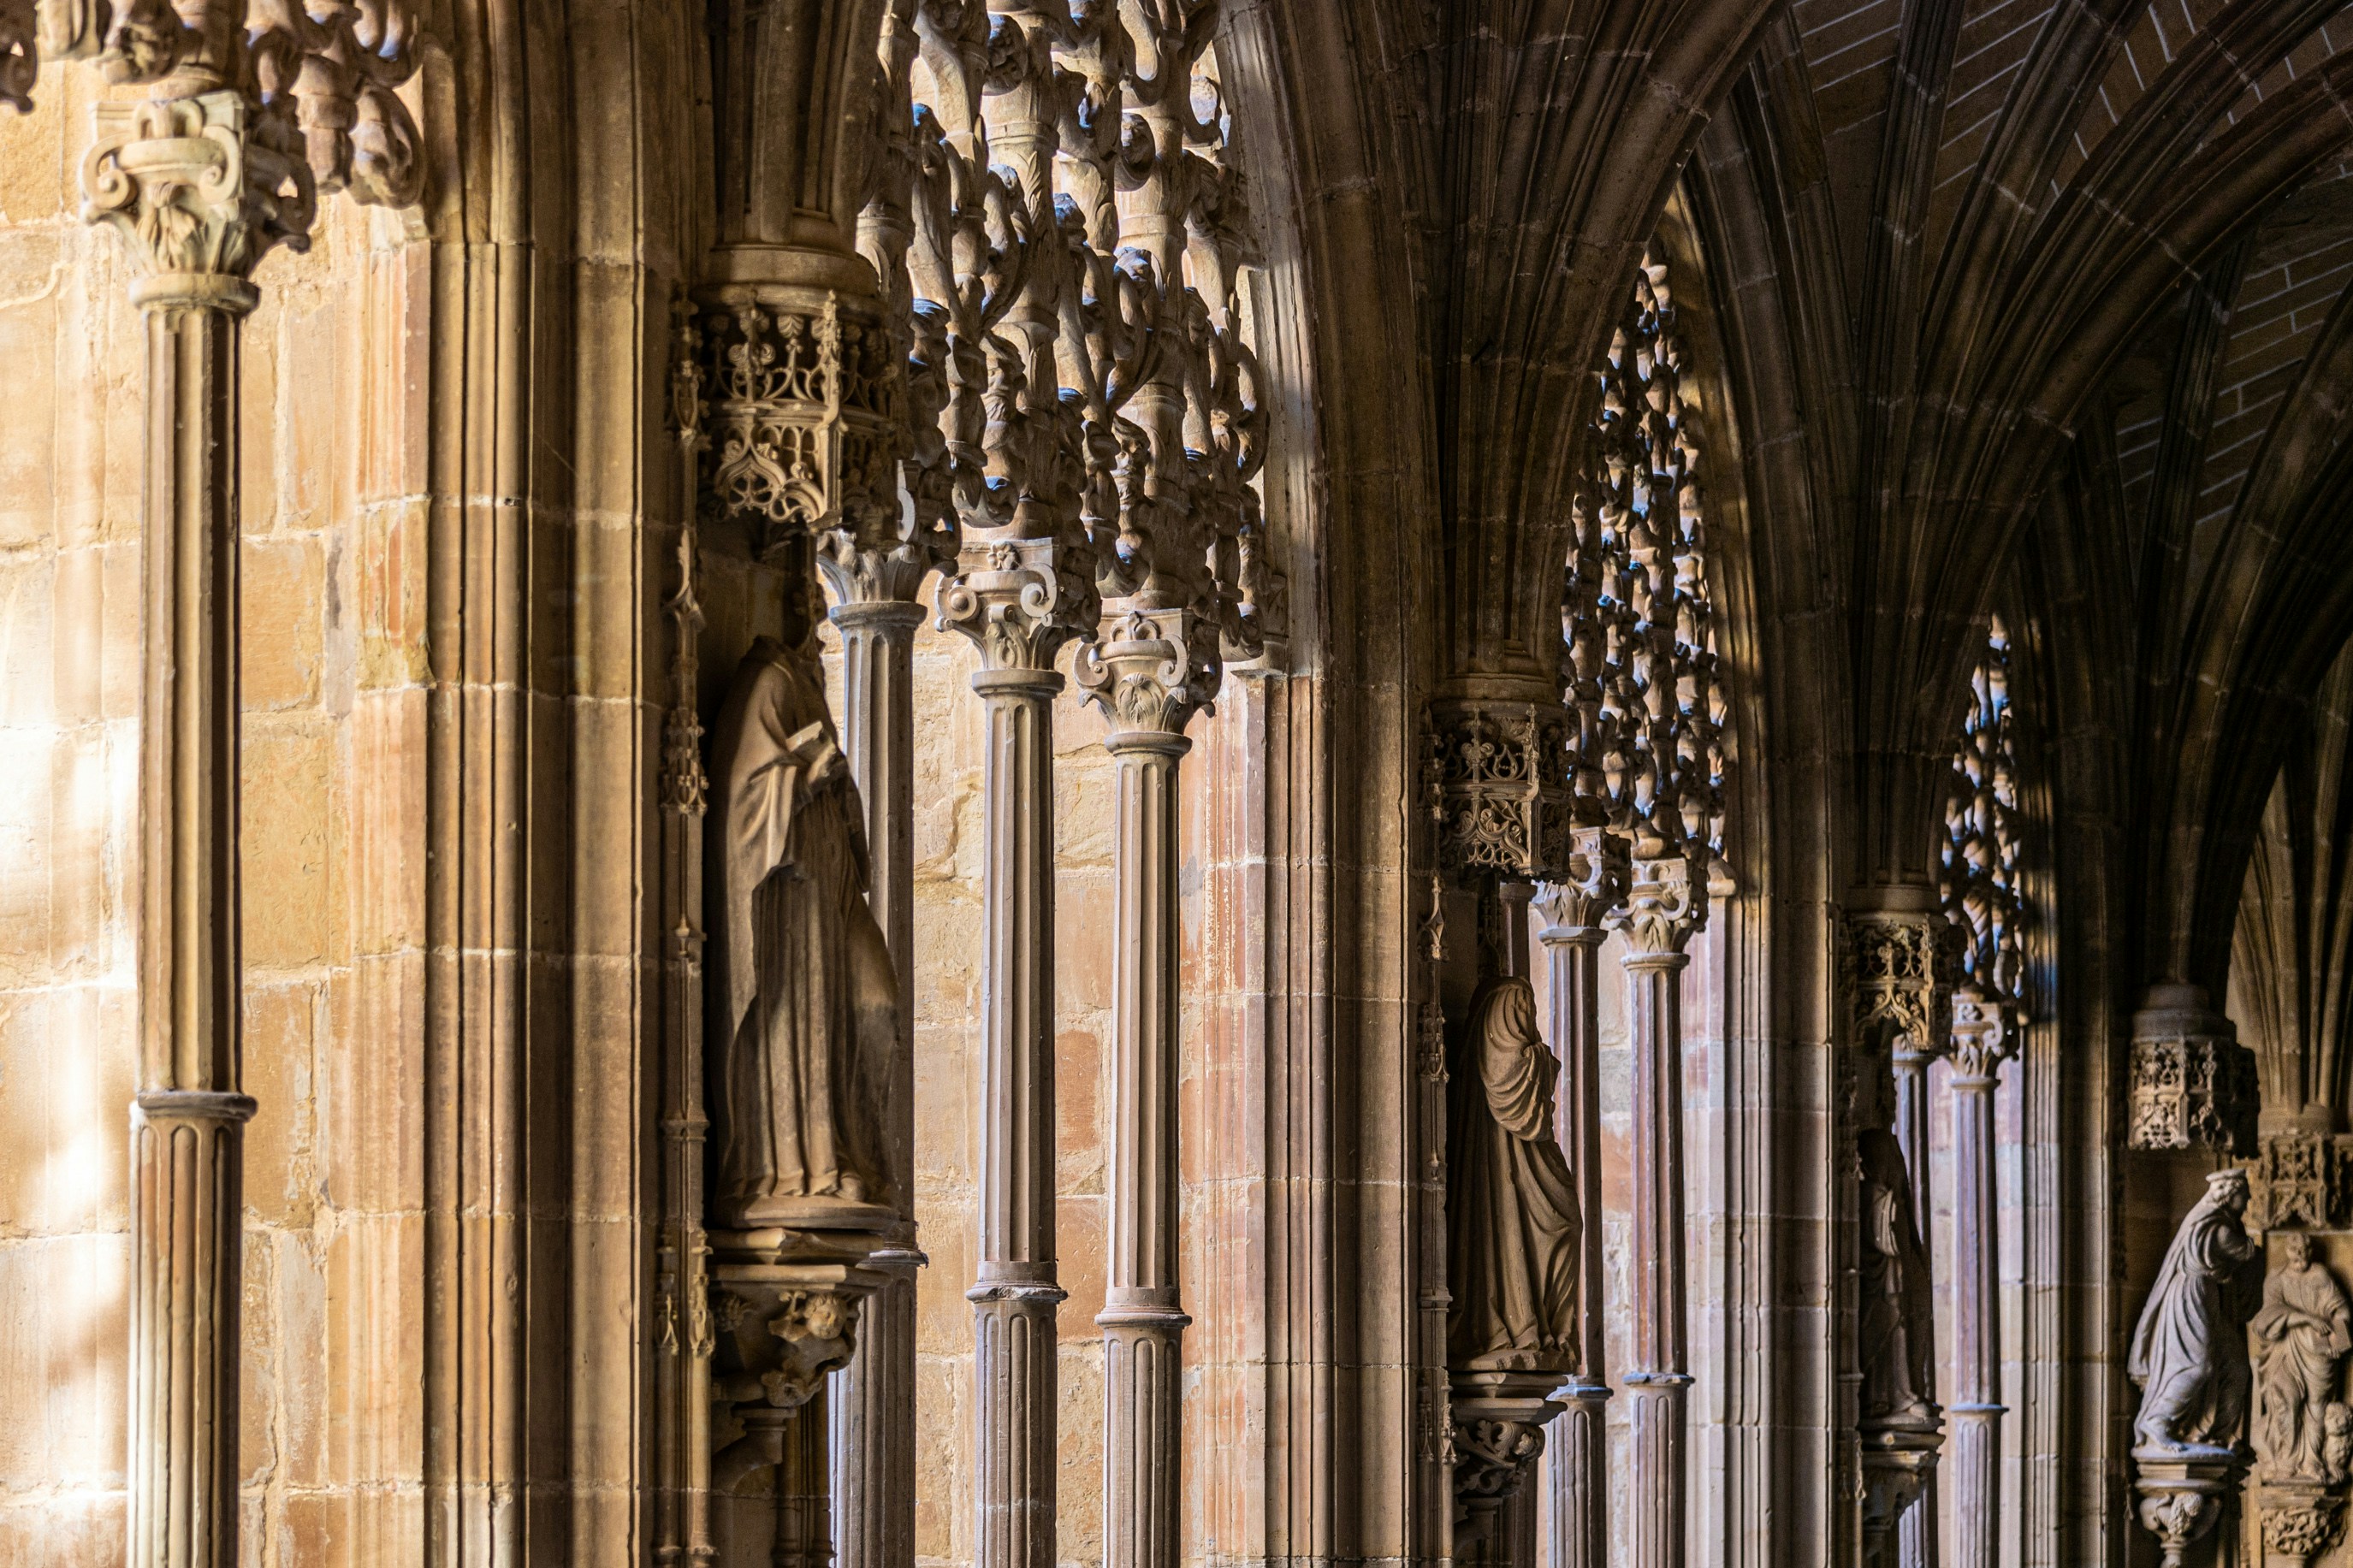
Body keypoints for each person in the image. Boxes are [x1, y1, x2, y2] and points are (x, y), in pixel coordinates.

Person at [706, 615, 898, 1227]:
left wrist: (836, 786)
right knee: (795, 1024)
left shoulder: (804, 680)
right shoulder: (767, 679)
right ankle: (794, 1171)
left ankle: (845, 1157)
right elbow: (741, 801)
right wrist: (805, 777)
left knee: (877, 1009)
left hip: (827, 893)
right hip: (788, 901)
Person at [1446, 975, 1581, 1370]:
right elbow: (1510, 1083)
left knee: (1566, 1223)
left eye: (1531, 1011)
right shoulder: (1501, 1032)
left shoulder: (1513, 1042)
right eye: (1523, 1012)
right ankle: (1521, 1322)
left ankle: (1539, 1325)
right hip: (1505, 1163)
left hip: (1521, 1158)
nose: (1529, 1019)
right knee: (1560, 1222)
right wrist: (1539, 1057)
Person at [2130, 1168, 2264, 1453]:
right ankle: (2157, 1421)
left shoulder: (2222, 1223)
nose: (2249, 1199)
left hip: (2210, 1298)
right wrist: (2254, 1252)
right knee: (2198, 1364)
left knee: (2238, 1366)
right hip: (2191, 1297)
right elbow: (2246, 1252)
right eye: (2244, 1194)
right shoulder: (2217, 1228)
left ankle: (2220, 1435)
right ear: (2230, 1195)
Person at [2252, 1231, 2351, 1480]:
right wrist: (2307, 1318)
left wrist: (2338, 1337)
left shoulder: (2320, 1276)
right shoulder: (2276, 1279)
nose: (2300, 1256)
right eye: (2295, 1251)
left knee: (2317, 1407)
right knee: (2287, 1402)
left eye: (2304, 1251)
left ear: (2310, 1252)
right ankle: (2286, 1461)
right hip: (2284, 1352)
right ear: (2287, 1251)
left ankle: (2311, 1462)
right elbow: (2266, 1318)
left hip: (2319, 1353)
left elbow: (2342, 1310)